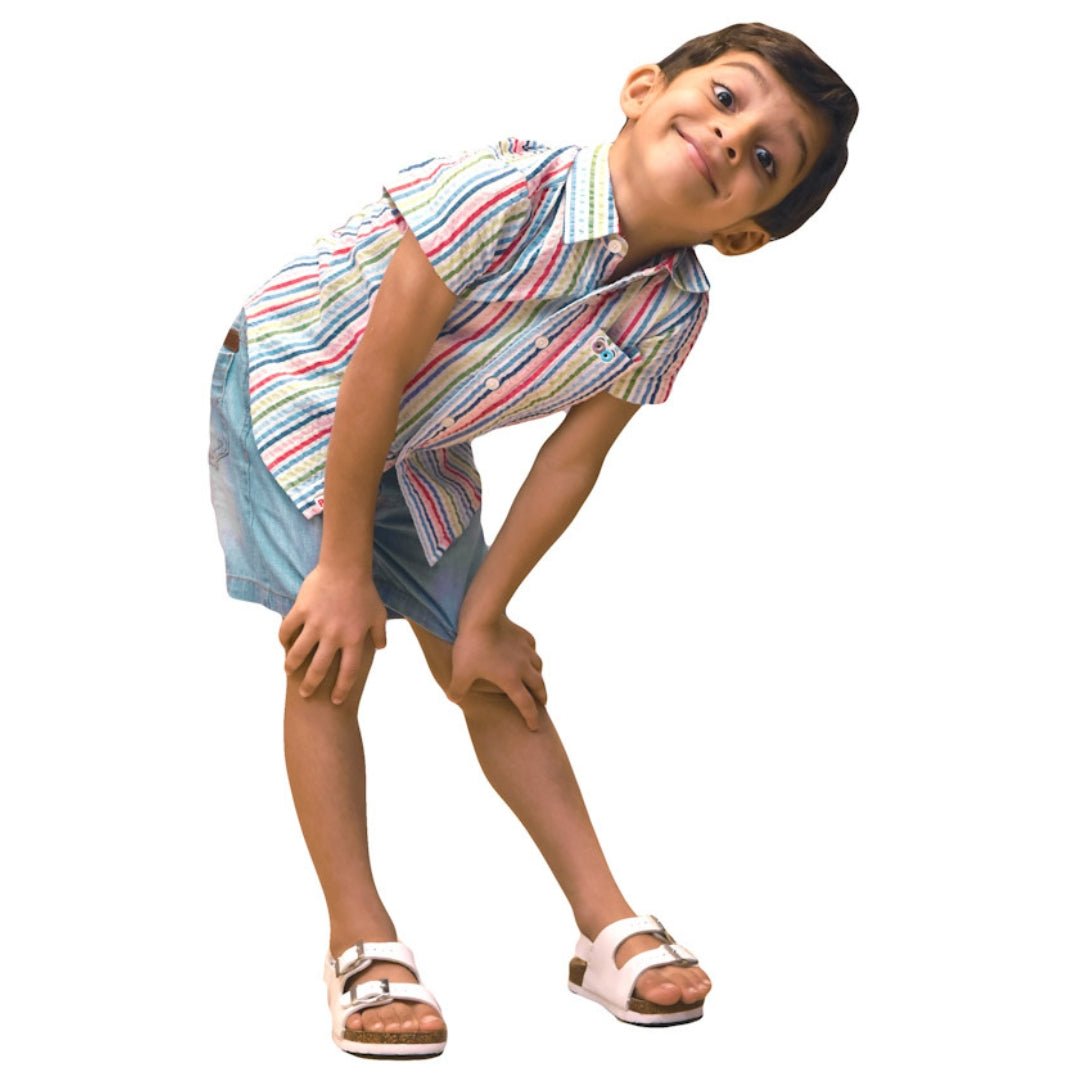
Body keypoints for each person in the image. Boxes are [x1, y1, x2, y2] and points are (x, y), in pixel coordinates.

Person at [209, 21, 857, 1059]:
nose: (732, 139)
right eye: (727, 99)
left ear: (745, 233)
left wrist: (487, 612)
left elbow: (570, 461)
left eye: (767, 159)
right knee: (332, 646)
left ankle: (603, 925)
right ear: (643, 89)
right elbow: (376, 363)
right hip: (301, 386)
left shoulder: (671, 310)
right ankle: (358, 937)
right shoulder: (502, 193)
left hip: (416, 436)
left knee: (490, 670)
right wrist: (340, 566)